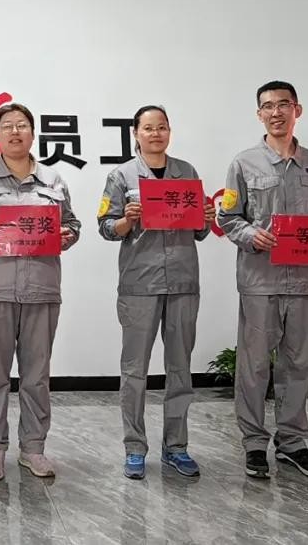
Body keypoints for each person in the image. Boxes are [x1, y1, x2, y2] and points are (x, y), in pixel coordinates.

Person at [0, 102, 81, 481]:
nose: (15, 131)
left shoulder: (53, 180)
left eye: (22, 125)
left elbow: (72, 223)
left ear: (32, 133)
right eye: (8, 126)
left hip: (41, 290)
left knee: (37, 375)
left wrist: (67, 235)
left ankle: (33, 448)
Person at [219, 80, 308, 480]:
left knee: (299, 364)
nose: (276, 112)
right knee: (254, 366)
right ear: (259, 114)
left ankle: (292, 443)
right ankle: (254, 443)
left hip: (305, 283)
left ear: (297, 110)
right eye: (268, 106)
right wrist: (249, 235)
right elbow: (227, 217)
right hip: (260, 280)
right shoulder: (243, 163)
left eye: (283, 104)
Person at [97, 105, 216, 479]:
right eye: (148, 128)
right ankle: (135, 448)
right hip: (140, 284)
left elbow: (199, 231)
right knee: (134, 371)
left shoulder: (187, 173)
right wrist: (126, 220)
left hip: (182, 282)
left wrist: (207, 219)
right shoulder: (121, 176)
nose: (155, 133)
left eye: (161, 127)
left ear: (169, 131)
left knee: (180, 369)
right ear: (135, 133)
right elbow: (105, 227)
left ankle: (176, 447)